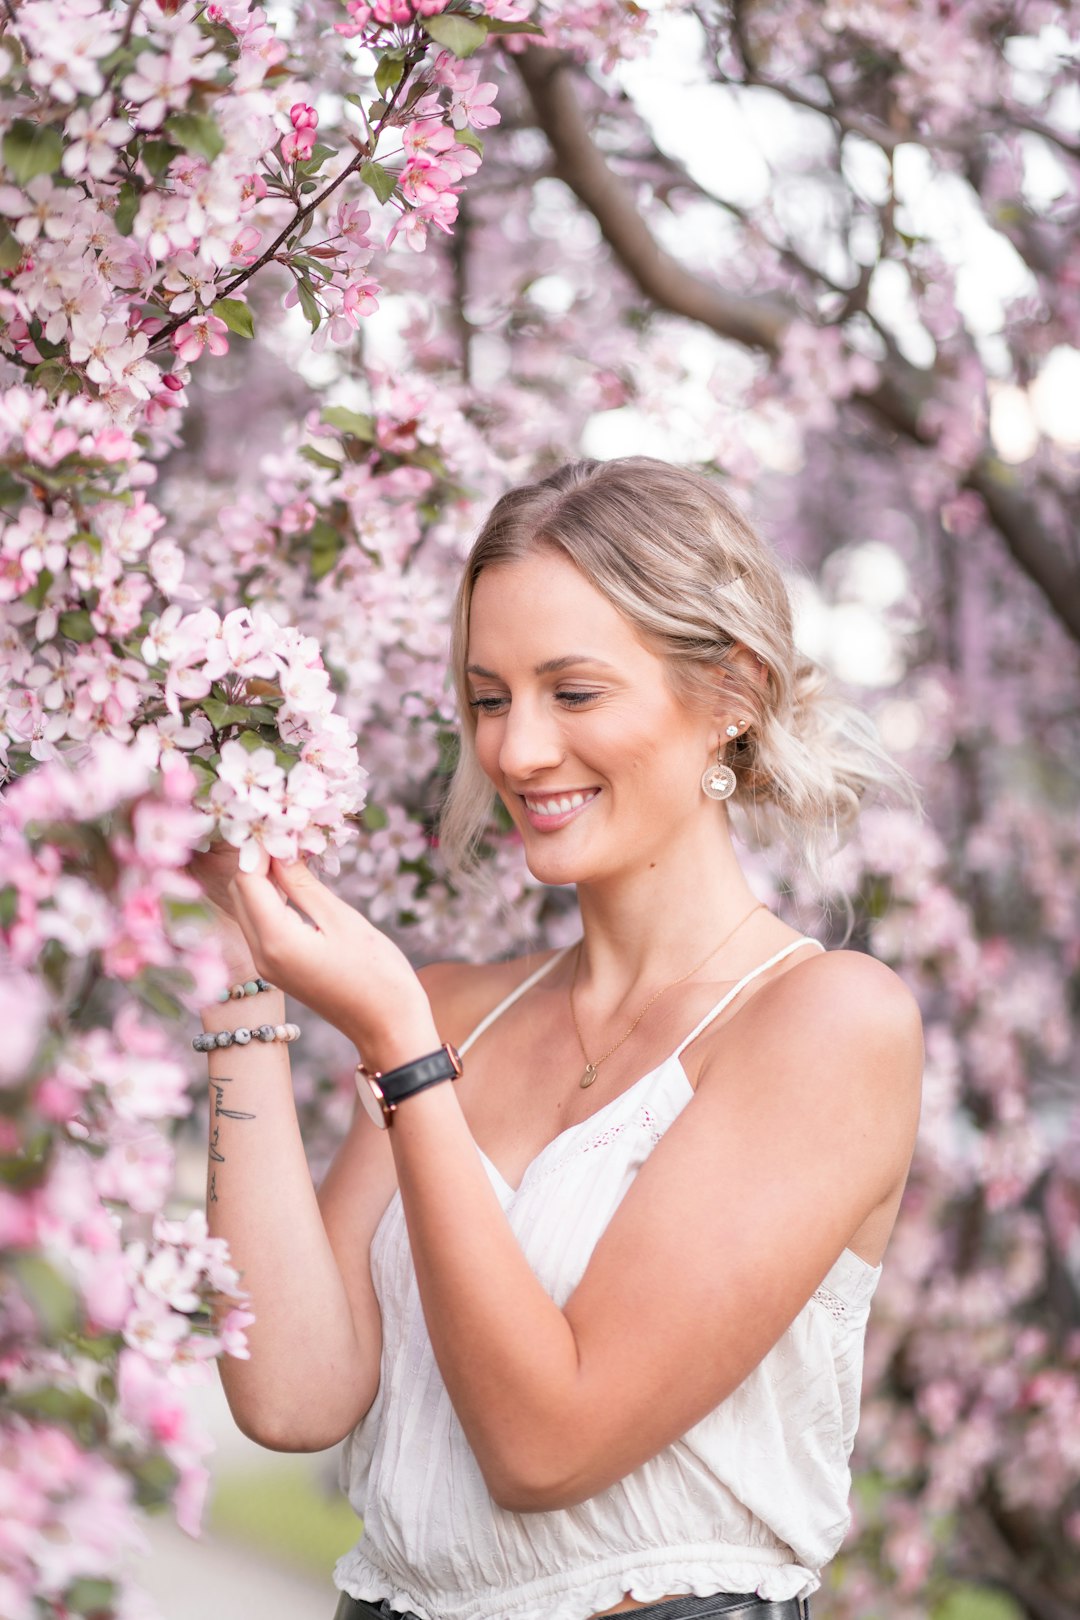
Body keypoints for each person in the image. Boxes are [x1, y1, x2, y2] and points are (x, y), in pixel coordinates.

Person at [190, 457, 923, 1620]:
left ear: (730, 692)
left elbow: (546, 1445)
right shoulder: (453, 1007)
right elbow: (292, 1395)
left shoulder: (827, 1024)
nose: (519, 751)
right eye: (491, 698)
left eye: (573, 694)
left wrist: (399, 1046)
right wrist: (235, 977)